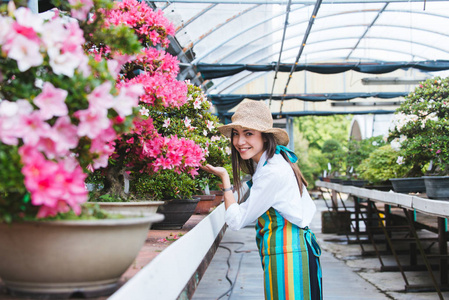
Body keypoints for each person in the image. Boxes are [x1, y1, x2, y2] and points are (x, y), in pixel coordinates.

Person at [201, 100, 322, 300]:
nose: (240, 142)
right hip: (287, 249)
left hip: (288, 251)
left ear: (265, 137)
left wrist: (224, 179)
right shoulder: (270, 163)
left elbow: (236, 221)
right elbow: (251, 188)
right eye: (236, 134)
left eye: (248, 133)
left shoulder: (272, 171)